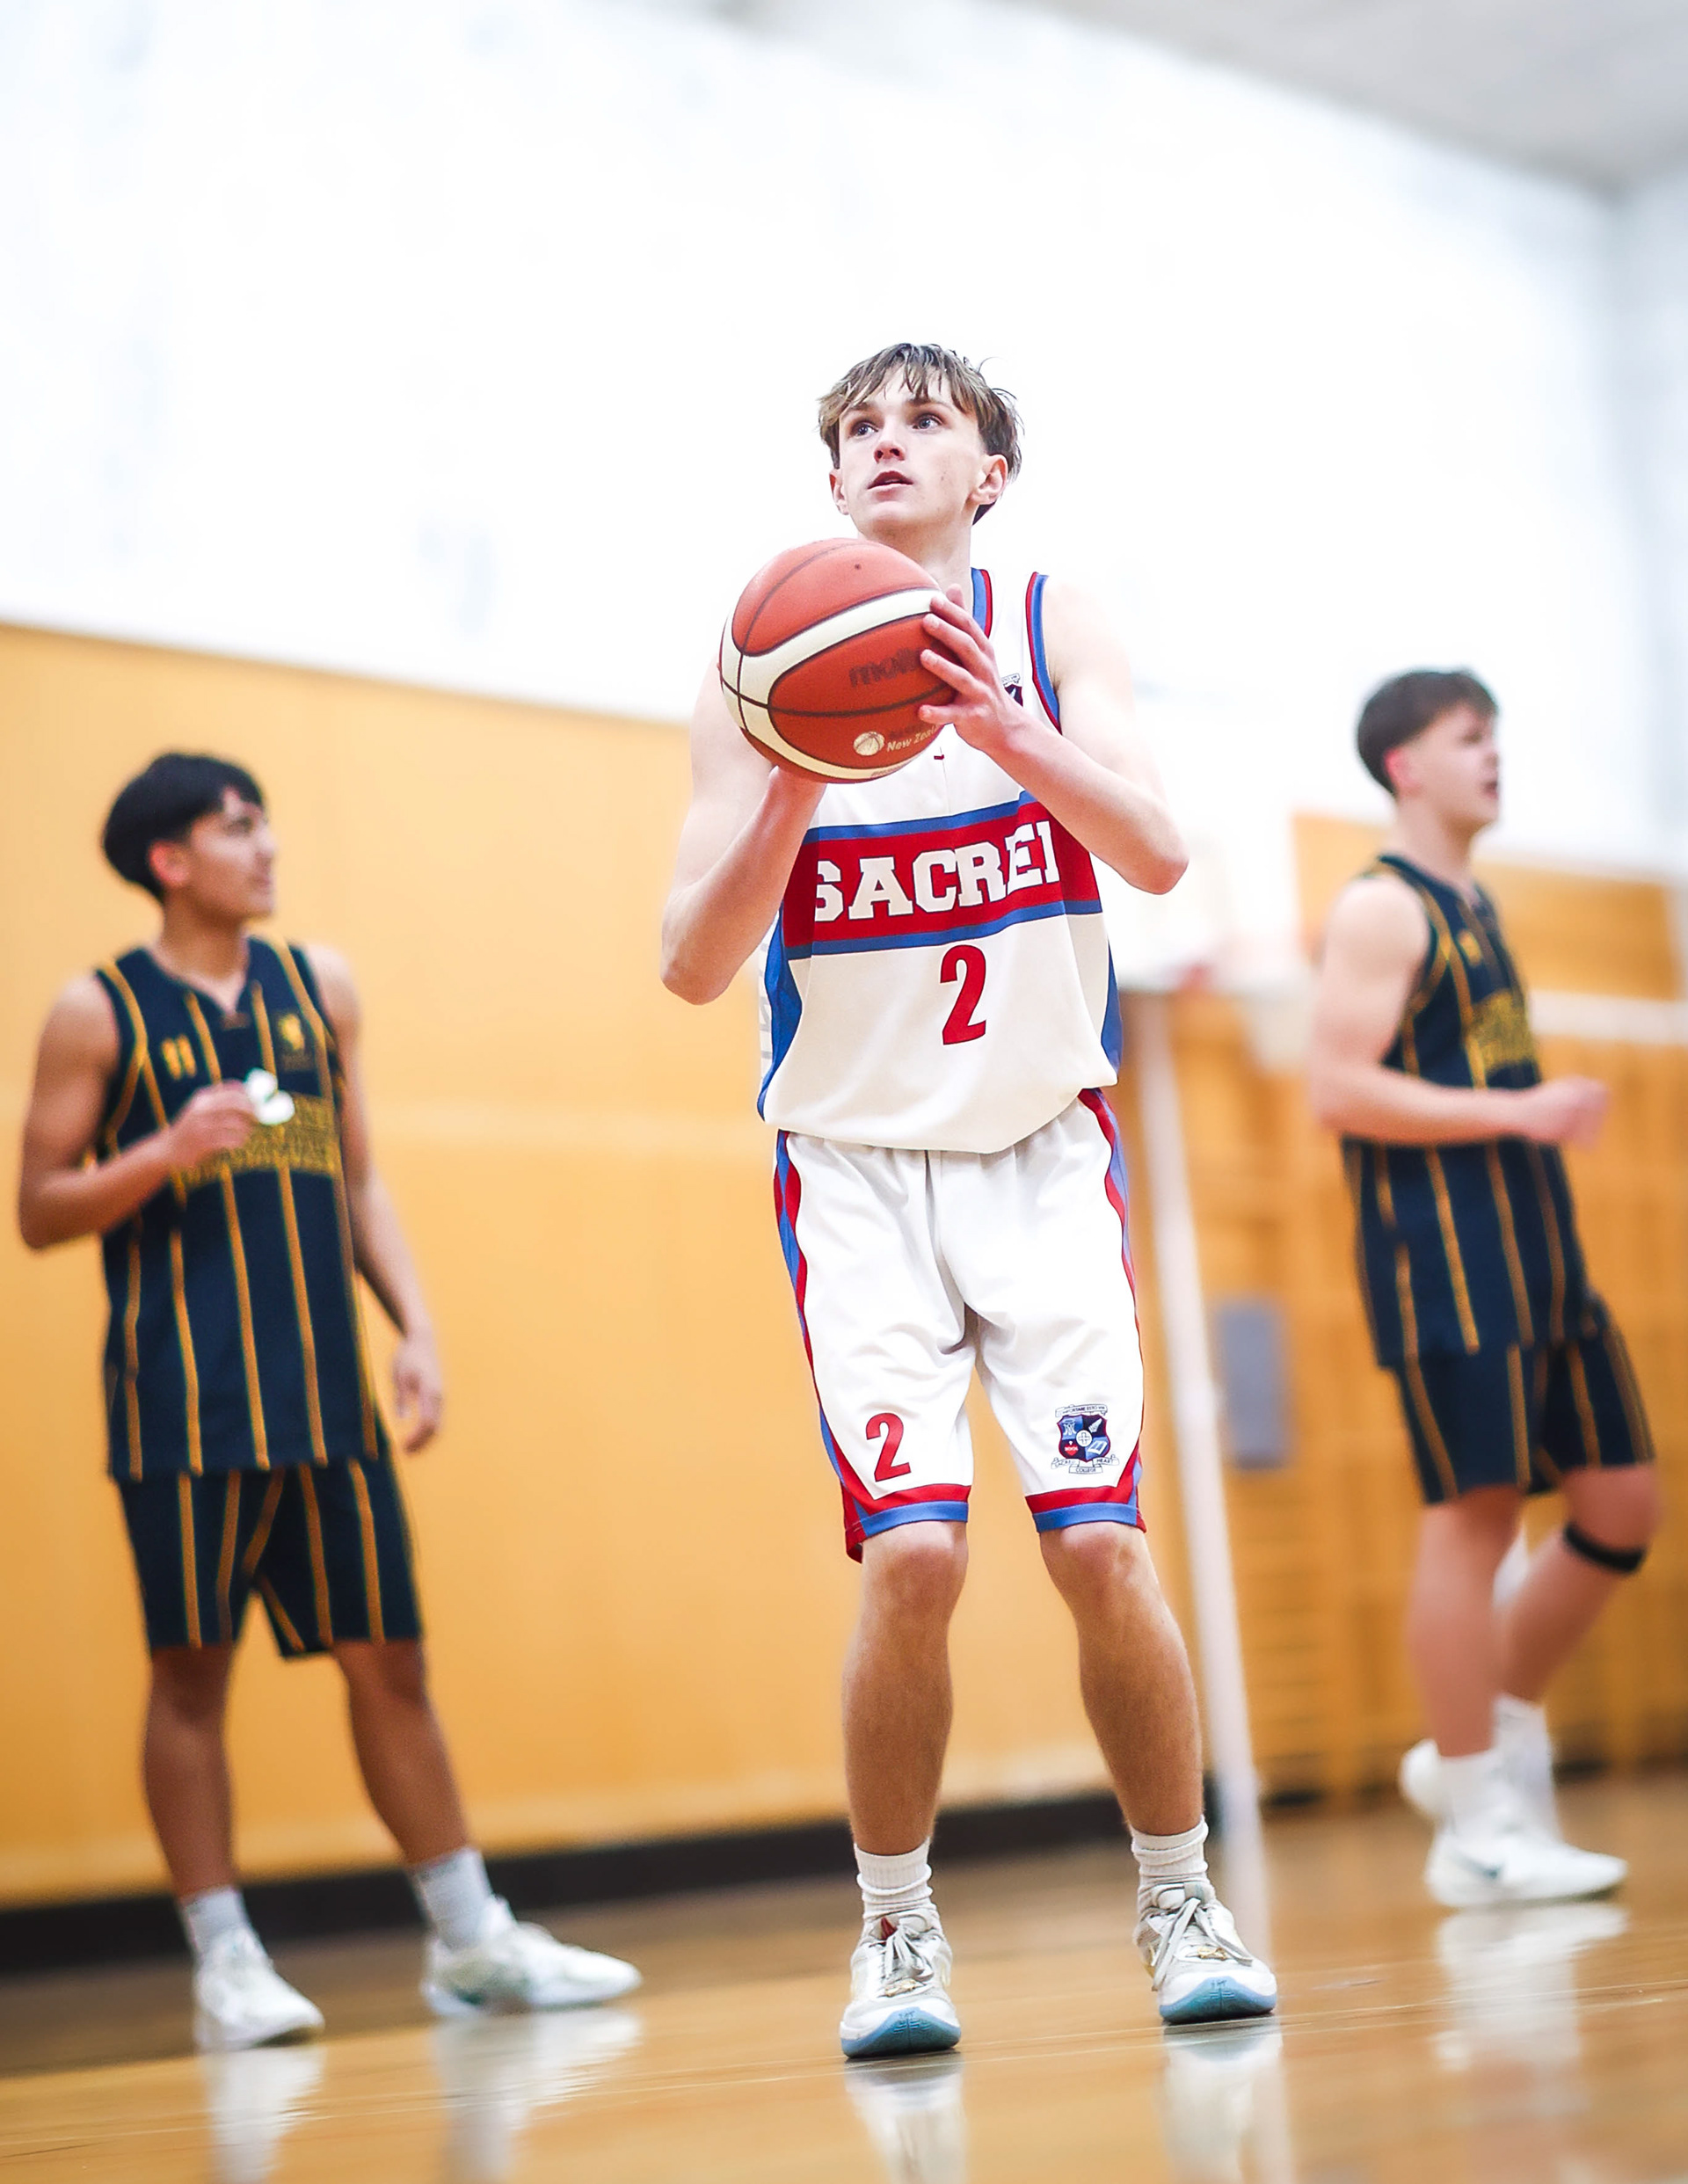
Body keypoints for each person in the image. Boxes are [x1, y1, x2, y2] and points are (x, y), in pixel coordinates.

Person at [661, 341, 1277, 2056]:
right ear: (830, 477)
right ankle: (895, 1931)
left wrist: (1003, 728)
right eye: (859, 426)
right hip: (856, 1172)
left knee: (1099, 1544)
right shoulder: (755, 672)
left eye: (923, 420)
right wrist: (797, 779)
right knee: (917, 1557)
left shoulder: (1053, 625)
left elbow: (1155, 851)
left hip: (1040, 1154)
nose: (887, 443)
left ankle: (1181, 1897)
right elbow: (691, 964)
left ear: (987, 472)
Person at [17, 753, 639, 2049]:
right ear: (170, 861)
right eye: (237, 828)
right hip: (183, 1404)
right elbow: (39, 1208)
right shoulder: (98, 1012)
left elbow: (357, 1181)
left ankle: (472, 1942)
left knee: (391, 1660)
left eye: (266, 824)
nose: (268, 847)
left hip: (325, 1396)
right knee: (191, 1676)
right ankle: (226, 1959)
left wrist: (416, 1327)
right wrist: (164, 1149)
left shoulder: (319, 990)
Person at [1306, 671, 1661, 1907]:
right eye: (1470, 738)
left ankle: (1471, 1736)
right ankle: (1477, 1824)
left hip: (1539, 1249)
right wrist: (1518, 1113)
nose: (1495, 755)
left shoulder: (1474, 899)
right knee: (1475, 1520)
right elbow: (1338, 1088)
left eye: (1496, 735)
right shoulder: (1381, 908)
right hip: (1445, 1259)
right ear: (1407, 766)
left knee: (1621, 1504)